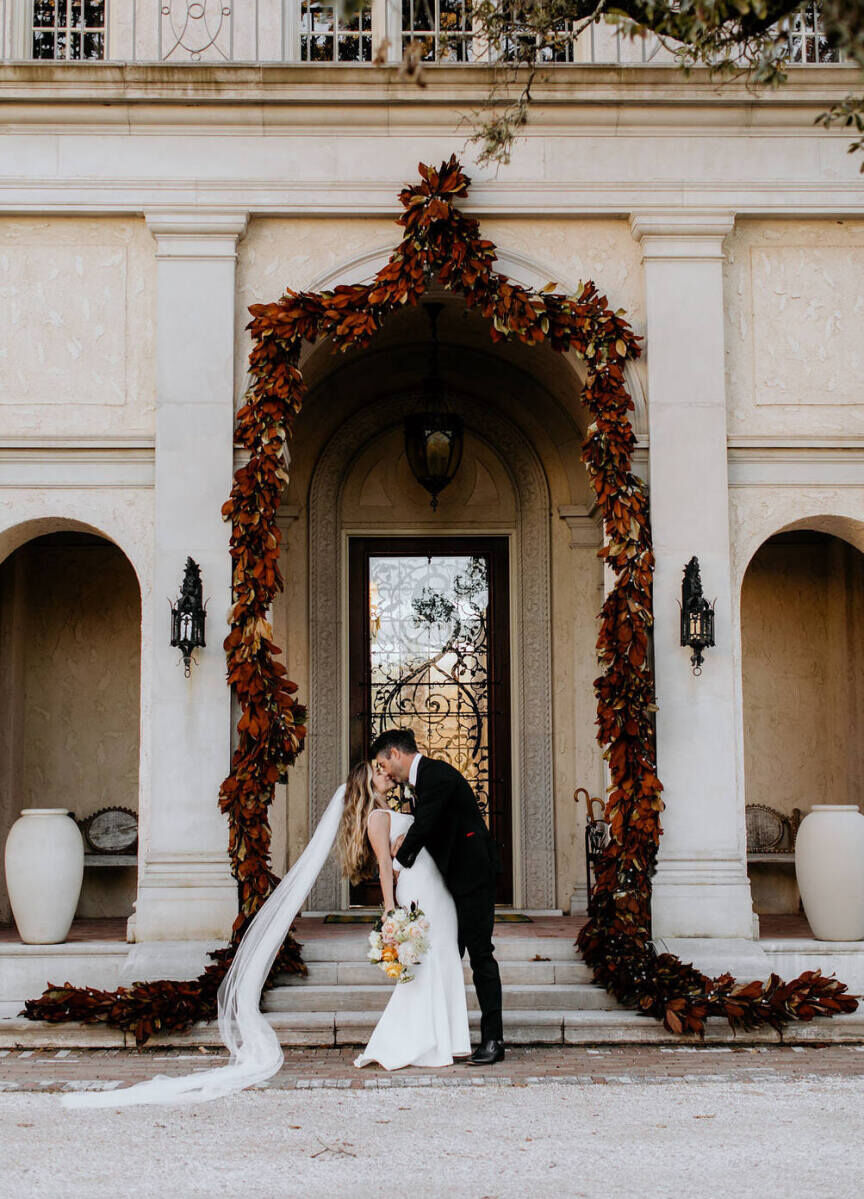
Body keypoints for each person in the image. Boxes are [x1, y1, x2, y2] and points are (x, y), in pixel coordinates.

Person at [371, 727, 505, 1066]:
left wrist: (398, 864)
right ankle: (444, 1037)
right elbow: (427, 824)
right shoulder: (421, 784)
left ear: (396, 754)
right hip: (451, 885)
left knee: (480, 955)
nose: (384, 771)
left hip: (473, 878)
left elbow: (426, 824)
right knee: (445, 958)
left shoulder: (436, 775)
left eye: (383, 764)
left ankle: (493, 1039)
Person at [340, 760, 470, 1070]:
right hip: (419, 888)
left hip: (431, 884)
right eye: (378, 772)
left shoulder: (390, 809)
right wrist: (389, 907)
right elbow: (385, 865)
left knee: (442, 953)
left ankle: (446, 1039)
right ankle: (417, 1041)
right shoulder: (377, 816)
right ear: (367, 783)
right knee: (431, 957)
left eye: (385, 770)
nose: (386, 775)